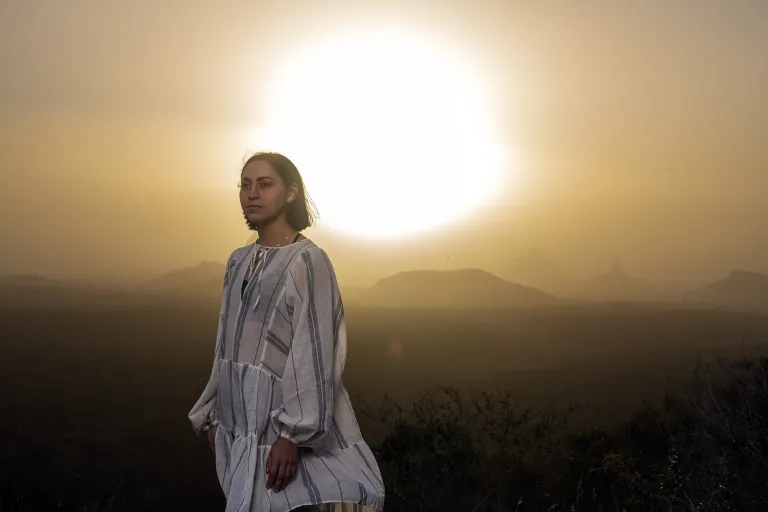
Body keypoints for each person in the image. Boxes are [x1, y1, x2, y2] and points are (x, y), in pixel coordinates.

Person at [188, 152, 386, 512]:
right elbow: (225, 346)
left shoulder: (309, 261)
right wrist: (211, 419)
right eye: (245, 185)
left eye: (265, 184)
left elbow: (314, 349)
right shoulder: (238, 261)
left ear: (291, 192)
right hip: (238, 428)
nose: (252, 194)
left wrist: (293, 436)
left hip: (280, 428)